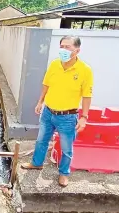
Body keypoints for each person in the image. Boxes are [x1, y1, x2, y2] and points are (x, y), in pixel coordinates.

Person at [20, 35, 93, 187]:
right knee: (41, 140)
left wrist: (84, 117)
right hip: (48, 112)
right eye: (62, 46)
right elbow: (46, 84)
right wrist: (40, 102)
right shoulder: (54, 65)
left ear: (77, 50)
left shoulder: (85, 70)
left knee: (67, 147)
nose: (63, 50)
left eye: (68, 47)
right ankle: (37, 163)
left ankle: (64, 173)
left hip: (68, 116)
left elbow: (87, 95)